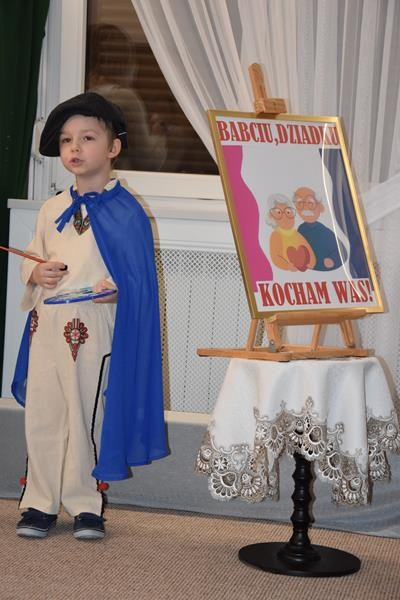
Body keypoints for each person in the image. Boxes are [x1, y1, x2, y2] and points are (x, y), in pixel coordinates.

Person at [12, 92, 168, 540]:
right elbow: (32, 257)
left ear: (113, 147)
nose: (74, 148)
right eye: (66, 140)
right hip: (47, 326)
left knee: (86, 416)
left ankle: (84, 503)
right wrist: (36, 272)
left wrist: (118, 290)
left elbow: (136, 279)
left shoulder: (128, 212)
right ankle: (39, 502)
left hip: (93, 328)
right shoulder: (51, 209)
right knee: (43, 413)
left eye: (87, 138)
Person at [293, 186, 347, 271]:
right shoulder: (301, 229)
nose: (305, 207)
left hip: (327, 269)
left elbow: (342, 252)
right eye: (300, 204)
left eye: (310, 203)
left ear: (320, 207)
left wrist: (332, 260)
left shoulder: (323, 230)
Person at [266, 193, 316, 272]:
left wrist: (311, 262)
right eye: (279, 213)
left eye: (288, 212)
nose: (285, 217)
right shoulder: (276, 235)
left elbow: (308, 249)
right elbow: (276, 256)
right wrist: (287, 266)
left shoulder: (297, 234)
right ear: (271, 217)